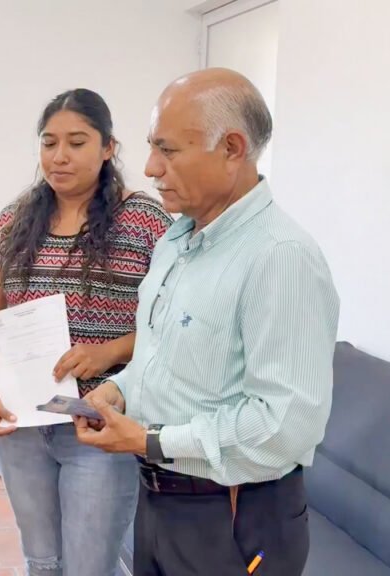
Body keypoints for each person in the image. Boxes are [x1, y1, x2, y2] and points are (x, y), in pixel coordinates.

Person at [73, 68, 340, 576]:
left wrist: (151, 440)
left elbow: (285, 426)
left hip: (231, 515)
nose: (151, 167)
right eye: (152, 147)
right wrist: (118, 391)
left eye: (169, 150)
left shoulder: (280, 257)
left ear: (232, 148)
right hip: (160, 500)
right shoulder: (177, 240)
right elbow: (163, 356)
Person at [0, 89, 172, 576]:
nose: (59, 156)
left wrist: (110, 352)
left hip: (100, 425)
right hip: (22, 425)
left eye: (77, 142)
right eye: (49, 142)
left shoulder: (145, 221)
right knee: (42, 562)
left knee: (89, 567)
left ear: (108, 148)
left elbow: (173, 324)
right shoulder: (14, 221)